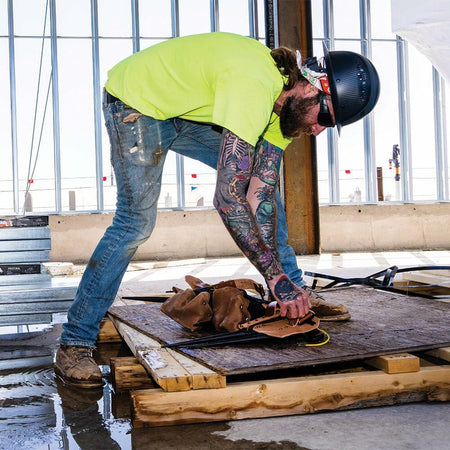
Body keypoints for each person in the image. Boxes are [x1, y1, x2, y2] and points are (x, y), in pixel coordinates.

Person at [55, 32, 380, 388]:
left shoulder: (285, 109)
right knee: (135, 222)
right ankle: (75, 342)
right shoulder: (254, 86)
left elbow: (259, 197)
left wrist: (279, 282)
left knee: (271, 194)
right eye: (326, 118)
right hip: (136, 103)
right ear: (313, 87)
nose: (318, 130)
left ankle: (294, 289)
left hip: (182, 109)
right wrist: (272, 275)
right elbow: (228, 198)